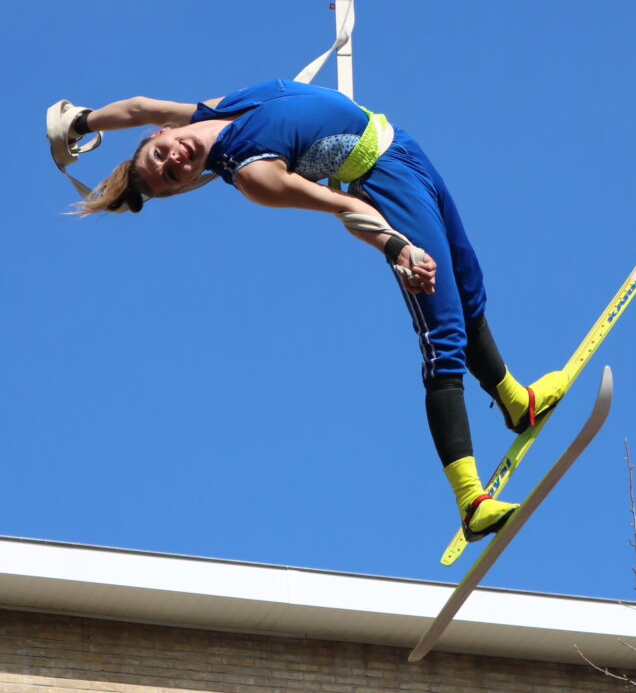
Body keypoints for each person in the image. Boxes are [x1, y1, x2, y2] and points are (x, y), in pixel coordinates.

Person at [50, 79, 566, 539]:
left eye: (161, 154)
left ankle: (515, 402)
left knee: (469, 287)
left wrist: (81, 123)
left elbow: (138, 105)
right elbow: (344, 207)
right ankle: (470, 500)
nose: (174, 160)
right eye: (171, 174)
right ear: (187, 185)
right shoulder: (253, 173)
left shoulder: (212, 111)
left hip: (403, 147)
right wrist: (397, 247)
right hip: (385, 183)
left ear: (161, 133)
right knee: (442, 335)